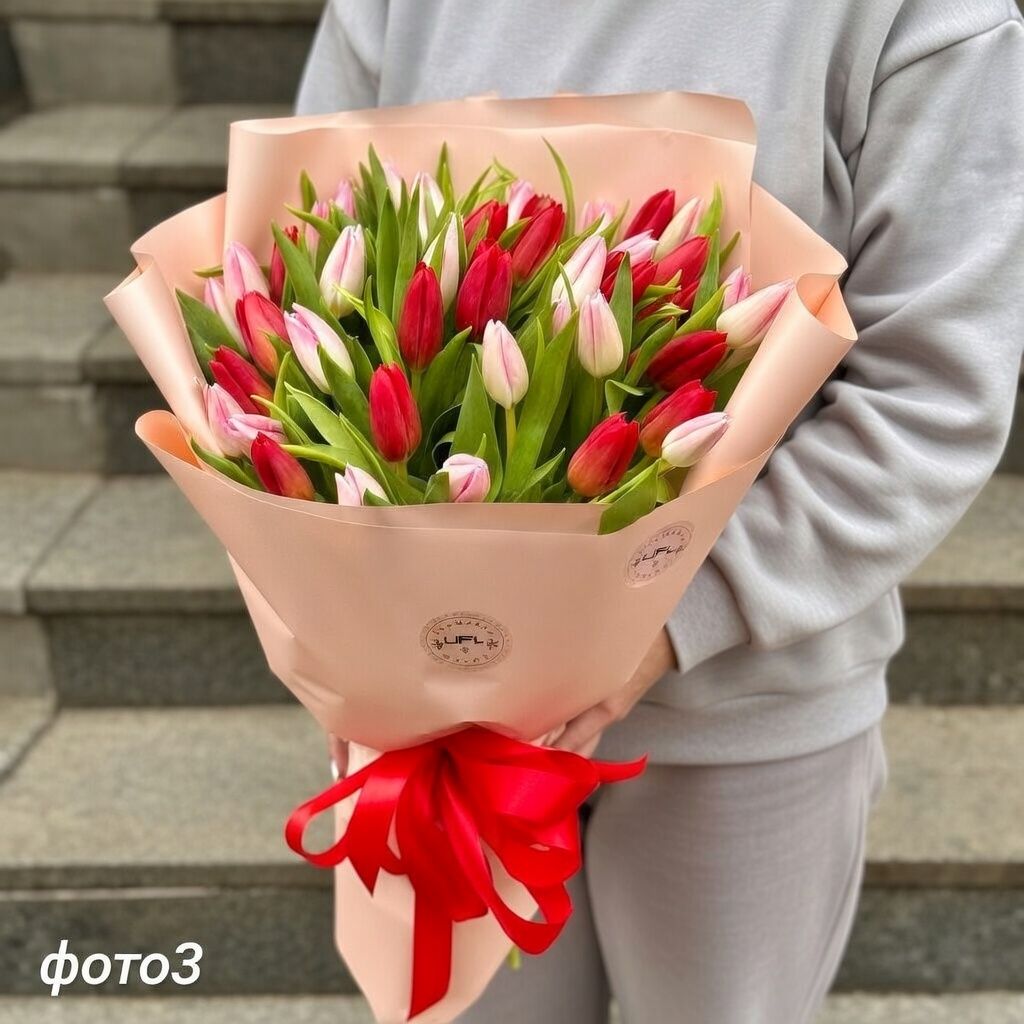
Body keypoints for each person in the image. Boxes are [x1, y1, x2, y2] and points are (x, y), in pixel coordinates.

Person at [296, 1, 1024, 1021]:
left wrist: (670, 614)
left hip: (740, 715)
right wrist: (355, 626)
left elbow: (930, 393)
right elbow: (302, 272)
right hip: (439, 720)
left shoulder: (919, 15)